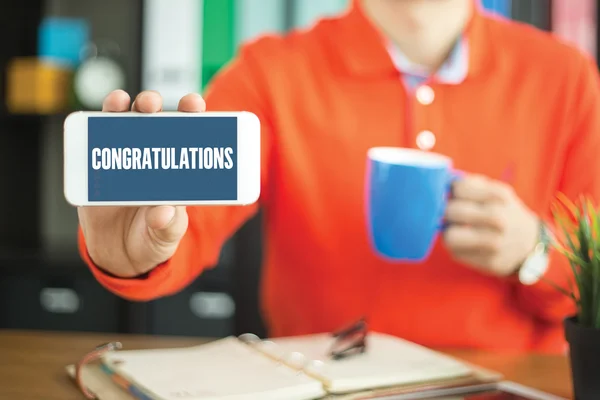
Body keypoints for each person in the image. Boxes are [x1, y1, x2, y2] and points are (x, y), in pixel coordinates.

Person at [77, 0, 600, 353]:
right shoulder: (269, 72)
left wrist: (535, 252)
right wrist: (136, 254)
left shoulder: (568, 78)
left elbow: (591, 282)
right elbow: (188, 221)